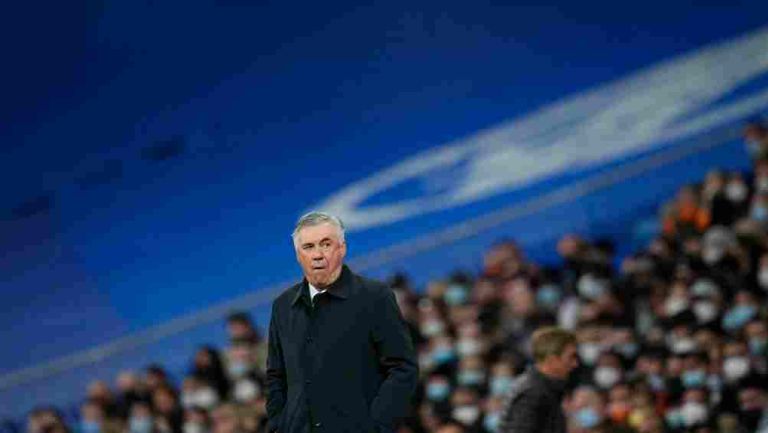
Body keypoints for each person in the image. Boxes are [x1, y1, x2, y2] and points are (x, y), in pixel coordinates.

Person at [265, 211, 418, 433]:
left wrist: (375, 425)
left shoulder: (374, 296)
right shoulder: (283, 306)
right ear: (298, 255)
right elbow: (276, 376)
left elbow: (403, 368)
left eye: (325, 244)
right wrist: (280, 425)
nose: (317, 254)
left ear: (342, 249)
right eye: (308, 247)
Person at [499, 327, 579, 433]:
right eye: (570, 357)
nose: (575, 364)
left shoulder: (540, 387)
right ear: (552, 360)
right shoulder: (532, 393)